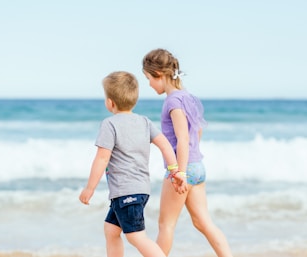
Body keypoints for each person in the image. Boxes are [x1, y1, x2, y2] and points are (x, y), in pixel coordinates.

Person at [79, 71, 186, 257]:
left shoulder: (109, 124)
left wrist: (90, 188)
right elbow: (165, 145)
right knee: (111, 230)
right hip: (139, 190)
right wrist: (174, 170)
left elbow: (102, 158)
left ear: (110, 102)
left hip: (126, 192)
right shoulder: (144, 122)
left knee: (136, 237)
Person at [142, 48, 234, 257]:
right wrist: (191, 163)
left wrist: (180, 172)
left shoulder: (173, 101)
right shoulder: (187, 97)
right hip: (197, 167)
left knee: (166, 225)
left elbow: (182, 138)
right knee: (203, 222)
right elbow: (197, 130)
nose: (148, 84)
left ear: (159, 75)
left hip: (182, 171)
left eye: (148, 78)